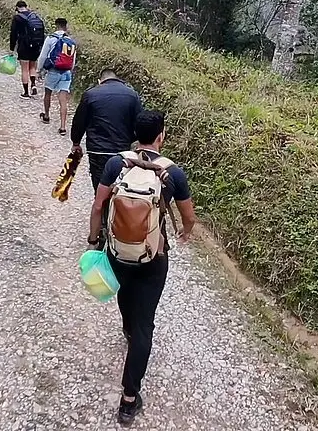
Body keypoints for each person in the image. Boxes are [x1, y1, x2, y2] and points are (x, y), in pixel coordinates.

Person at [86, 110, 197, 426]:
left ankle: (127, 327)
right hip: (152, 257)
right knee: (145, 324)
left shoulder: (115, 164)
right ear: (161, 135)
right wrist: (185, 232)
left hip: (117, 251)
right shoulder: (173, 173)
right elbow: (188, 217)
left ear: (136, 135)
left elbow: (98, 206)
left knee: (124, 294)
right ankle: (128, 400)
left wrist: (94, 240)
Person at [70, 69, 143, 192]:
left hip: (97, 150)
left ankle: (100, 207)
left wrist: (76, 143)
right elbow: (140, 123)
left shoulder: (91, 94)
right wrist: (131, 140)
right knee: (119, 185)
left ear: (100, 81)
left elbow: (79, 122)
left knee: (99, 186)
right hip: (121, 150)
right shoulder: (132, 95)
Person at [38, 17, 76, 135]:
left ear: (56, 25)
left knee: (48, 93)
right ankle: (63, 126)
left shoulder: (50, 38)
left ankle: (47, 115)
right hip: (66, 73)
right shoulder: (71, 41)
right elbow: (73, 61)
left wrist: (39, 70)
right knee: (63, 99)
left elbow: (43, 56)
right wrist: (69, 70)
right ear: (66, 26)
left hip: (53, 71)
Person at [8, 0, 45, 98]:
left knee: (25, 69)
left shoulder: (17, 18)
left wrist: (12, 49)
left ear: (17, 8)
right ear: (26, 6)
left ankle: (25, 92)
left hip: (24, 45)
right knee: (32, 66)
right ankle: (33, 85)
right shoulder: (34, 16)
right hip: (36, 46)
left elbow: (13, 34)